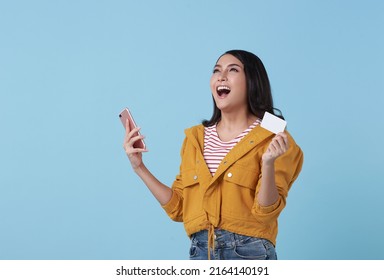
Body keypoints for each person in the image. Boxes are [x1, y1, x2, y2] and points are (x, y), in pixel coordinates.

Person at [123, 50, 303, 260]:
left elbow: (266, 212)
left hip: (249, 252)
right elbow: (179, 208)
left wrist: (269, 164)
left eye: (233, 70)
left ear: (252, 81)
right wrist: (139, 168)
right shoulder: (195, 138)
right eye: (216, 70)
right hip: (201, 251)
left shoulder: (274, 138)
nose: (221, 76)